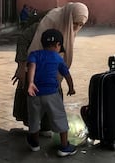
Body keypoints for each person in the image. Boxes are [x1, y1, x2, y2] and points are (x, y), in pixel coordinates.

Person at [12, 2, 89, 131]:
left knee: (51, 105)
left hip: (51, 74)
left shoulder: (68, 26)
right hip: (34, 68)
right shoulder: (50, 21)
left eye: (80, 25)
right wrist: (21, 66)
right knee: (33, 106)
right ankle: (34, 134)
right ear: (69, 17)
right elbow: (23, 39)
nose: (76, 27)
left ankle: (42, 130)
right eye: (74, 23)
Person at [26, 28, 77, 156]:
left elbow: (32, 66)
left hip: (34, 94)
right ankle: (64, 147)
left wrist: (31, 82)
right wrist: (71, 88)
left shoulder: (34, 54)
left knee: (34, 119)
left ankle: (35, 144)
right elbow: (67, 75)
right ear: (58, 45)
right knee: (59, 117)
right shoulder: (58, 58)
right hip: (52, 94)